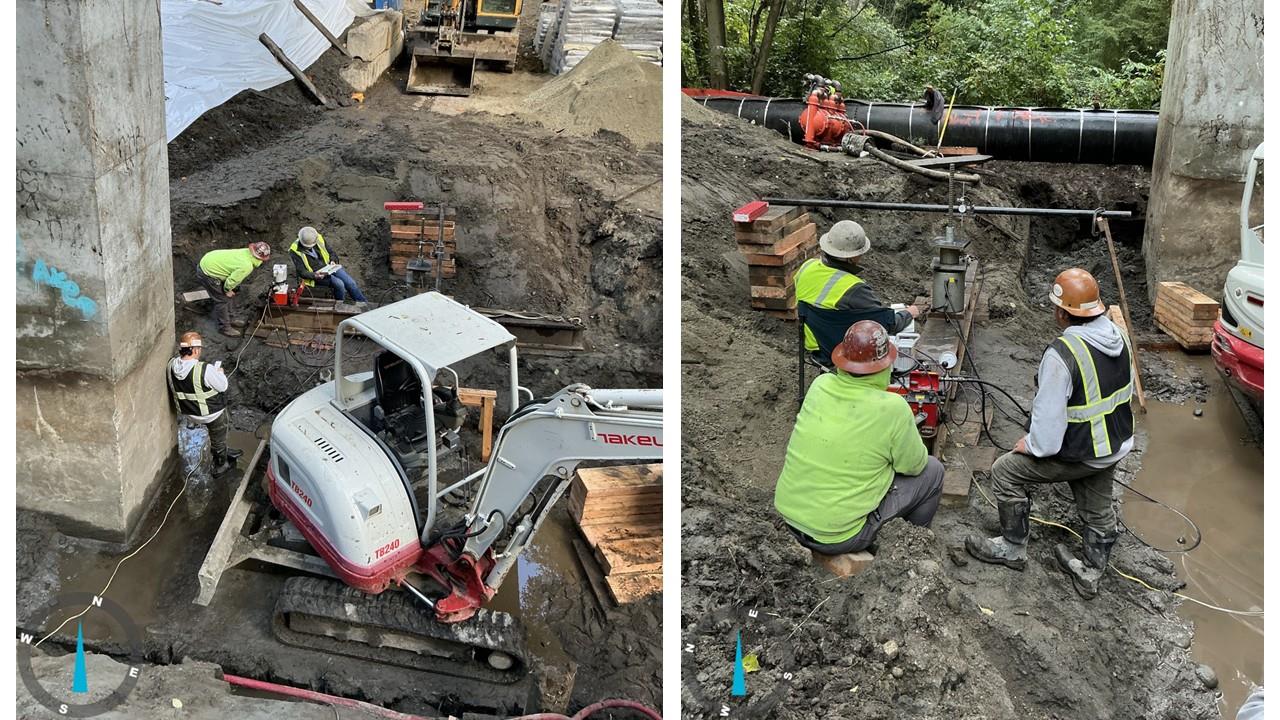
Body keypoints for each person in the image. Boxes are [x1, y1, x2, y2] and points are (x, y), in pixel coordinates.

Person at [966, 268, 1135, 599]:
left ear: (1062, 311)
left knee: (1005, 471)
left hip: (1080, 450)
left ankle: (1013, 549)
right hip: (1113, 446)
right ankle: (1091, 570)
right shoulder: (1118, 336)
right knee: (1097, 506)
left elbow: (1047, 437)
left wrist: (1029, 444)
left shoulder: (1063, 354)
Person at [774, 321, 946, 555]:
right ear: (886, 365)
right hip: (837, 536)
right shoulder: (893, 408)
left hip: (788, 518)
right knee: (933, 471)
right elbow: (914, 466)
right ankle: (911, 550)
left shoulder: (819, 385)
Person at [793, 220, 921, 357]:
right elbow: (886, 325)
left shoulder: (807, 267)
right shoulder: (853, 288)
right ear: (852, 257)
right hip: (841, 349)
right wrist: (909, 313)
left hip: (814, 343)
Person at [167, 331, 242, 476]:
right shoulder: (204, 369)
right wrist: (219, 372)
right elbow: (223, 386)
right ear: (195, 350)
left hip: (189, 412)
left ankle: (224, 450)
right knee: (218, 436)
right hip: (211, 413)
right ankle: (221, 463)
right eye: (199, 349)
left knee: (218, 437)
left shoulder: (172, 364)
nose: (200, 352)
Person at [197, 242, 272, 337]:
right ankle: (225, 328)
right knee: (222, 300)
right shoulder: (246, 266)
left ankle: (231, 317)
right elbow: (231, 281)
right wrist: (227, 290)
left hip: (210, 259)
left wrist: (230, 289)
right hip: (208, 272)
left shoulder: (245, 252)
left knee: (232, 291)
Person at [290, 226, 367, 304]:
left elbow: (331, 252)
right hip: (316, 275)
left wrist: (333, 260)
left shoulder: (318, 238)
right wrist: (315, 275)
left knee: (350, 283)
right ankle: (339, 305)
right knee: (339, 284)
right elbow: (302, 272)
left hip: (329, 267)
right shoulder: (294, 250)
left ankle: (363, 303)